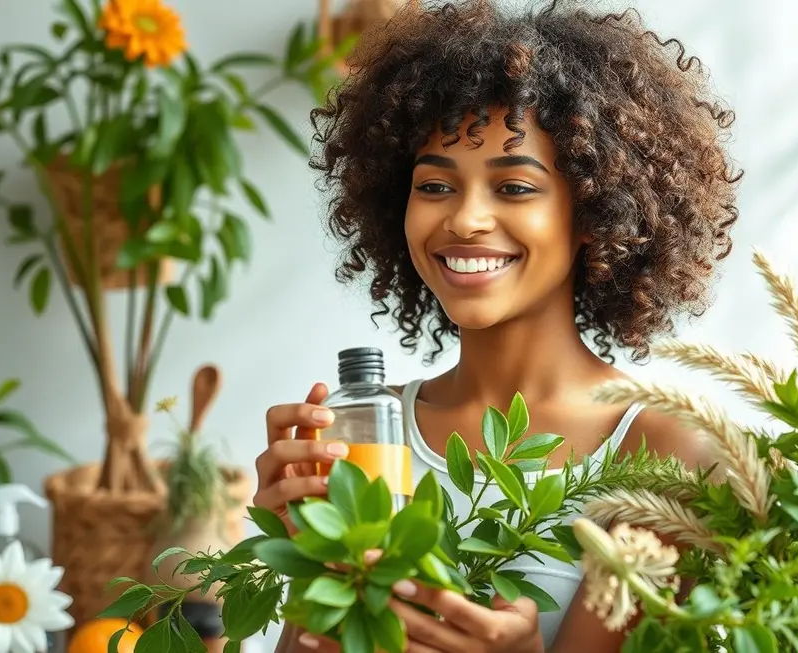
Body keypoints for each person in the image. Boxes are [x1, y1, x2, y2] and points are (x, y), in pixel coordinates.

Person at [254, 0, 742, 651]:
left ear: (596, 211)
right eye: (434, 187)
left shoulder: (664, 454)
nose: (464, 220)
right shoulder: (365, 434)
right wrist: (305, 558)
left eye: (513, 187)